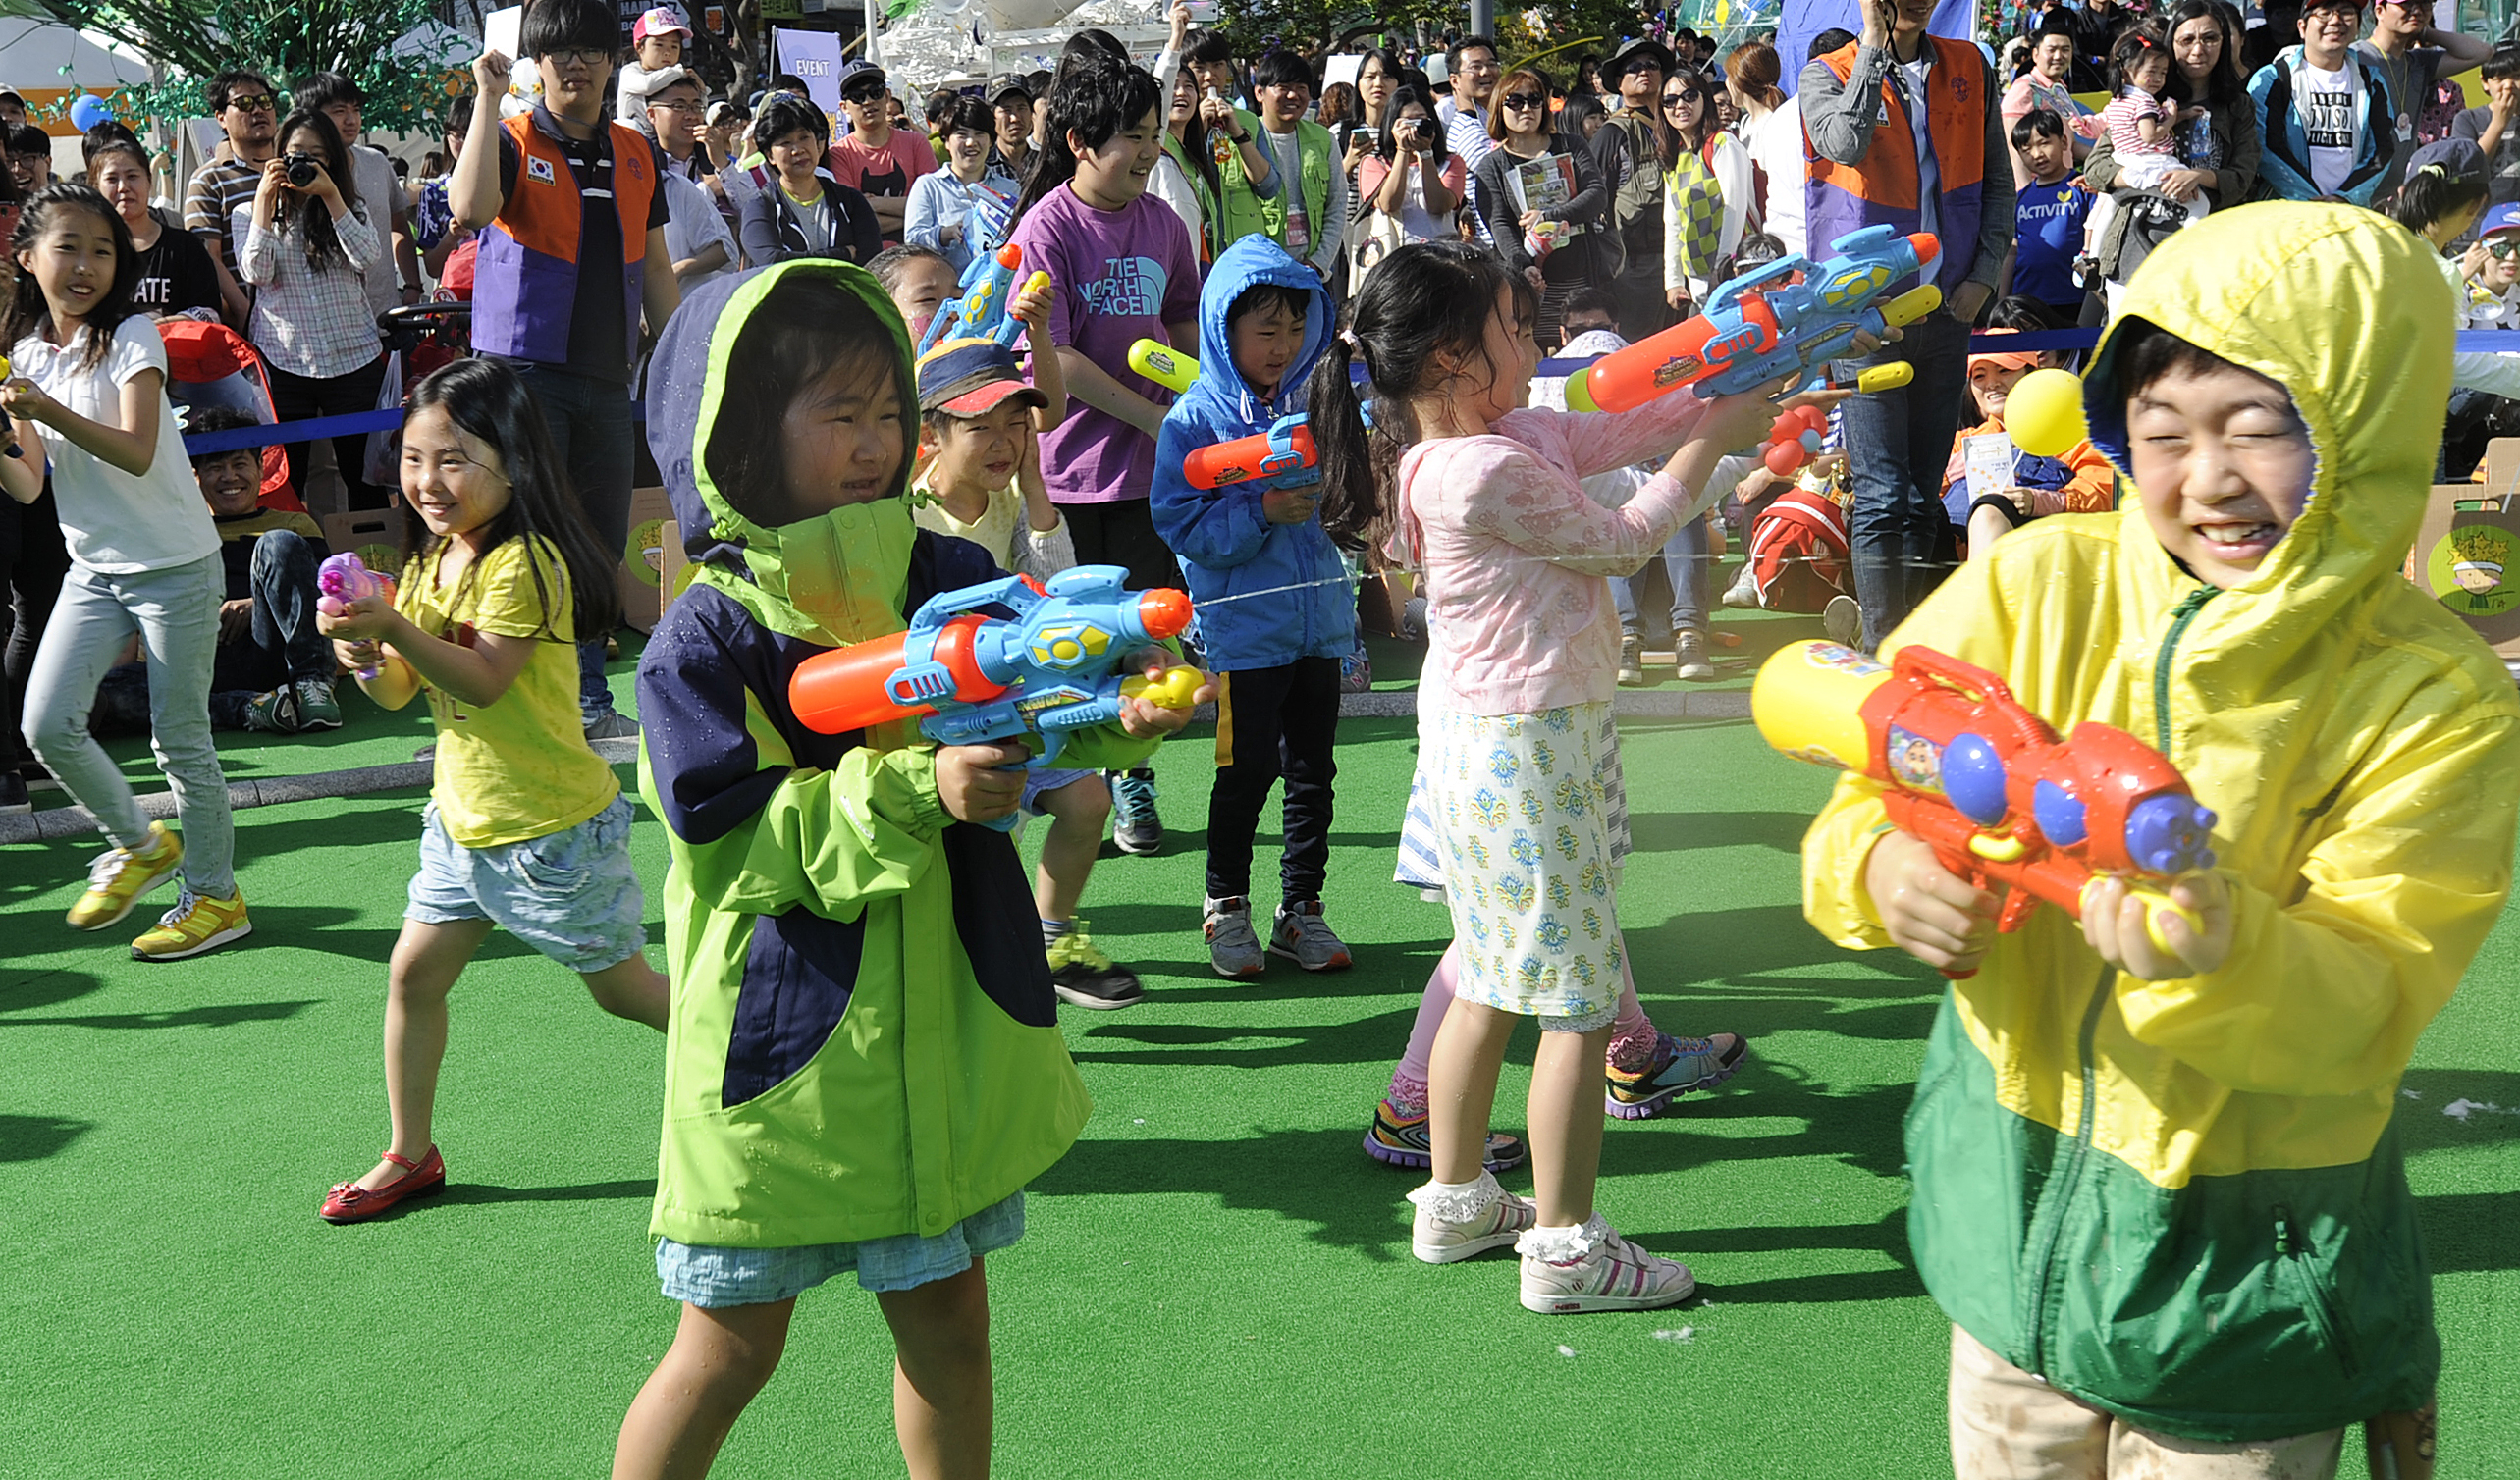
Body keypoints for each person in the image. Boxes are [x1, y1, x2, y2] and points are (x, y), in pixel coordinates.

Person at [1810, 200, 2516, 1480]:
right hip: (2002, 1232)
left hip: (2241, 1285)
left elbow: (2374, 974)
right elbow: (1881, 774)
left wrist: (2223, 950)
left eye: (2260, 430)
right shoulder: (2037, 584)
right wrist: (1877, 868)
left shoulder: (2430, 701)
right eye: (2161, 432)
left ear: (2366, 429)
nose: (2205, 479)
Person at [614, 257, 1198, 1480]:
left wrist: (1113, 718)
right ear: (737, 436)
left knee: (951, 1325)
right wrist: (914, 786)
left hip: (942, 1021)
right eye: (839, 415)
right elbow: (730, 841)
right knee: (726, 1346)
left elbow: (1032, 707)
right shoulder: (707, 631)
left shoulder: (939, 572)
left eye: (887, 411)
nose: (875, 441)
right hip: (785, 1048)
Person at [1313, 242, 1786, 1309]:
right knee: (1572, 1002)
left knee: (1484, 967)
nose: (1536, 345)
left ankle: (1455, 1195)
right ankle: (1567, 1247)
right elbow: (1620, 541)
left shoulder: (1487, 437)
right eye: (1514, 330)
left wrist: (1722, 384)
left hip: (1500, 737)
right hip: (1525, 747)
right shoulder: (1483, 468)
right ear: (1450, 358)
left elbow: (1615, 427)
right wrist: (1717, 438)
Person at [310, 358, 668, 1224]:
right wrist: (359, 651)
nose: (427, 482)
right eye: (414, 458)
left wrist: (390, 622)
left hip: (549, 832)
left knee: (625, 995)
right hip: (464, 825)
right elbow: (399, 693)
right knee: (411, 979)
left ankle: (774, 1058)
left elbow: (481, 682)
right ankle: (410, 1152)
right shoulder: (438, 560)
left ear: (515, 462)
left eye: (453, 460)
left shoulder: (526, 562)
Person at [1, 183, 246, 960]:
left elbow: (138, 451)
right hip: (94, 570)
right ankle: (142, 845)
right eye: (68, 247)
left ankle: (215, 897)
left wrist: (43, 409)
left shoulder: (135, 334)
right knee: (44, 724)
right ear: (27, 258)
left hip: (177, 565)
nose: (86, 265)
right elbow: (31, 483)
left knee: (182, 744)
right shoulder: (31, 352)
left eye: (102, 249)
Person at [451, 0, 682, 742]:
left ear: (613, 62)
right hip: (521, 375)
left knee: (599, 544)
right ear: (536, 64)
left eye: (588, 50)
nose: (573, 64)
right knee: (520, 539)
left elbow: (655, 276)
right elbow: (469, 205)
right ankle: (498, 695)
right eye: (557, 53)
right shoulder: (513, 137)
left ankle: (584, 698)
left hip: (608, 382)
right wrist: (487, 98)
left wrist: (681, 364)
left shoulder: (637, 151)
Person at [905, 329, 1155, 1011]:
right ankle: (975, 965)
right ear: (930, 435)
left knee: (1087, 802)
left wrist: (1038, 485)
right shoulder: (909, 512)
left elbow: (1058, 585)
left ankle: (1052, 938)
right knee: (988, 843)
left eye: (1016, 426)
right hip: (948, 713)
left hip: (1015, 695)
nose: (1003, 443)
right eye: (980, 427)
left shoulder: (1013, 498)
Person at [1007, 55, 1200, 859]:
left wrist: (1192, 403)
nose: (1150, 152)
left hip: (1151, 473)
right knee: (1081, 638)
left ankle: (1136, 777)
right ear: (1081, 141)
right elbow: (1060, 359)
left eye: (1156, 135)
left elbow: (1184, 320)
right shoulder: (1045, 227)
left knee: (1150, 631)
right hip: (1076, 473)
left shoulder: (1161, 222)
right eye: (1133, 137)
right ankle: (1070, 779)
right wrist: (1155, 419)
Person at [1150, 237, 1357, 979]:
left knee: (1313, 772)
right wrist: (1263, 509)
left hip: (1319, 625)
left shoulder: (1318, 402)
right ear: (1221, 329)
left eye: (1295, 329)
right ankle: (1225, 905)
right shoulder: (1194, 418)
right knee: (1243, 772)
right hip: (1243, 634)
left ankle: (1301, 909)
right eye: (1265, 330)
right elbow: (1180, 524)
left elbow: (1348, 499)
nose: (1283, 346)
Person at [1803, 0, 2013, 651]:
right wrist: (1871, 44)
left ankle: (1916, 645)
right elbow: (1841, 142)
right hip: (1863, 314)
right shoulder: (1825, 72)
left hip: (1946, 307)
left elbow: (1998, 182)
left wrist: (1982, 276)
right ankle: (1877, 646)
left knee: (1923, 494)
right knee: (1881, 492)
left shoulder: (1970, 65)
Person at [86, 405, 336, 736]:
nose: (229, 477)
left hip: (275, 655)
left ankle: (312, 685)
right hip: (200, 664)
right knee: (106, 690)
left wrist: (256, 604)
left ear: (261, 468)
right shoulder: (171, 532)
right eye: (216, 467)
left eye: (240, 464)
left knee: (278, 544)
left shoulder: (292, 524)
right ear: (194, 475)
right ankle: (250, 709)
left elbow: (328, 595)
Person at [234, 109, 392, 512]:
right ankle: (295, 566)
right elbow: (256, 272)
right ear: (278, 156)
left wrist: (331, 195)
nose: (305, 165)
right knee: (286, 482)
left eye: (317, 156)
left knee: (366, 481)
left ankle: (376, 568)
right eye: (297, 155)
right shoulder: (250, 213)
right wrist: (266, 200)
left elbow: (368, 257)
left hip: (353, 358)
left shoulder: (348, 205)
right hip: (285, 362)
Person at [1938, 319, 2114, 560]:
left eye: (2004, 370)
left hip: (2040, 559)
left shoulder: (2069, 432)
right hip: (1953, 564)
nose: (1992, 383)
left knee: (1991, 510)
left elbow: (2104, 490)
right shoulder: (1958, 442)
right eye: (1979, 375)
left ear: (2031, 375)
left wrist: (2044, 502)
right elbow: (1915, 500)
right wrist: (1944, 476)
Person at [2084, 3, 2264, 216]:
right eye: (2187, 40)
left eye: (2210, 39)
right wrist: (2148, 178)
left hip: (2209, 228)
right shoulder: (2147, 98)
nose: (2198, 50)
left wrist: (2197, 176)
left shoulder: (2239, 106)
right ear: (2172, 44)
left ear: (2224, 43)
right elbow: (2095, 166)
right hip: (2138, 228)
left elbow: (2243, 177)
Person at [1476, 67, 1605, 333]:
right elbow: (1499, 223)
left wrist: (1548, 217)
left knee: (1583, 352)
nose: (1526, 109)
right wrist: (1522, 266)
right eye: (1515, 101)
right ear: (1499, 109)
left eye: (1534, 100)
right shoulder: (1492, 165)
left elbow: (1597, 195)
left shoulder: (1571, 145)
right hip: (1529, 282)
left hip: (1580, 272)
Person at [294, 73, 424, 316]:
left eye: (356, 110)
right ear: (311, 116)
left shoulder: (376, 162)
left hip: (385, 312)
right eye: (339, 111)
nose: (351, 119)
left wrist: (413, 285)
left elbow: (398, 224)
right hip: (325, 321)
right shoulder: (299, 175)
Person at [84, 128, 241, 324]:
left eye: (132, 176)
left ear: (149, 181)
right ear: (96, 187)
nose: (123, 187)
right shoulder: (89, 253)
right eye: (112, 179)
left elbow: (209, 312)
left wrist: (162, 327)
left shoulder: (185, 246)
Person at [2249, 0, 2398, 205]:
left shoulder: (2372, 82)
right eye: (2324, 13)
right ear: (2302, 27)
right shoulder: (2273, 79)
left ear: (2358, 26)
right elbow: (2264, 145)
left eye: (2346, 13)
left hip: (2348, 212)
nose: (2336, 21)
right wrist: (2307, 197)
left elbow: (2381, 149)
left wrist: (2345, 197)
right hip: (2288, 212)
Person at [1220, 51, 1345, 285]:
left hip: (1309, 272)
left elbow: (1337, 205)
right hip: (1256, 273)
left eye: (1301, 88)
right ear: (1260, 93)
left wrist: (1318, 263)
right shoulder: (1237, 137)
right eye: (1283, 87)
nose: (1293, 95)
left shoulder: (1323, 140)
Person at [1591, 35, 1677, 341]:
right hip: (1633, 268)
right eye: (1634, 67)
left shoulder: (1676, 124)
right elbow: (1593, 200)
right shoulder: (1612, 133)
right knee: (1636, 348)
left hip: (1677, 259)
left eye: (1652, 66)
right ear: (1618, 81)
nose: (1645, 72)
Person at [2358, 0, 2491, 196]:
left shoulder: (2419, 62)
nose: (2417, 11)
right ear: (2379, 10)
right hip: (2358, 190)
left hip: (2401, 192)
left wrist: (2425, 31)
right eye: (2406, 5)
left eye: (2424, 5)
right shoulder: (2355, 56)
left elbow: (2482, 53)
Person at [738, 92, 885, 267]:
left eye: (804, 138)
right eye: (785, 143)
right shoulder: (760, 207)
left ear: (817, 143)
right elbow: (771, 261)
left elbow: (871, 259)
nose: (797, 150)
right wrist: (843, 253)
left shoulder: (850, 200)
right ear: (770, 155)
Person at [1661, 66, 1752, 317]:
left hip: (1735, 276)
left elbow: (1735, 209)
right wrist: (1674, 281)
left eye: (1689, 96)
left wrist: (1722, 269)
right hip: (1698, 281)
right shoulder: (1674, 157)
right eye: (1670, 100)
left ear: (1704, 99)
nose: (1679, 105)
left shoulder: (1723, 144)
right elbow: (1673, 224)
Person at [635, 69, 738, 291]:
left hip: (711, 291)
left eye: (696, 107)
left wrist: (720, 162)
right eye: (679, 106)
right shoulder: (641, 168)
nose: (690, 115)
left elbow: (748, 211)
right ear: (651, 115)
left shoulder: (715, 164)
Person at [185, 70, 282, 281]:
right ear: (221, 118)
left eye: (265, 101)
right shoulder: (208, 180)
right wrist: (245, 311)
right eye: (244, 103)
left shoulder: (294, 168)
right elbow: (209, 260)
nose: (258, 110)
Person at [904, 95, 1019, 272]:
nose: (971, 143)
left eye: (979, 134)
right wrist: (944, 234)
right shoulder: (928, 186)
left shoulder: (1010, 188)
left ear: (990, 141)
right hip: (947, 292)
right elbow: (912, 241)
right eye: (961, 135)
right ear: (947, 142)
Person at [828, 66, 937, 246]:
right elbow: (851, 219)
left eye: (875, 92)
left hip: (917, 254)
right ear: (844, 107)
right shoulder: (839, 154)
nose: (868, 101)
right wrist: (915, 218)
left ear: (887, 96)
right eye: (858, 96)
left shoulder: (916, 143)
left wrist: (873, 203)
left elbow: (933, 205)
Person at [2007, 111, 2097, 327]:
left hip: (2076, 298)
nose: (2037, 154)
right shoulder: (2021, 198)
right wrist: (2003, 299)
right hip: (2027, 301)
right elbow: (2012, 250)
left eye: (2044, 143)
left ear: (2064, 142)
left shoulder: (2083, 188)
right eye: (2026, 149)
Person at [1358, 83, 1464, 258]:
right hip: (1393, 257)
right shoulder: (1374, 163)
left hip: (1440, 259)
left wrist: (1425, 154)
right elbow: (1389, 204)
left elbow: (1439, 206)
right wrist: (1402, 151)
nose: (1414, 129)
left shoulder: (1452, 162)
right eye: (1407, 122)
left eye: (1421, 120)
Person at [2004, 17, 2107, 187]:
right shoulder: (2025, 89)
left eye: (2065, 49)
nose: (2058, 56)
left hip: (2060, 186)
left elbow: (2069, 144)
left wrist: (2107, 159)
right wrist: (2025, 192)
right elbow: (2013, 147)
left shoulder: (2059, 89)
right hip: (2037, 189)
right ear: (2035, 55)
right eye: (2051, 50)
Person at [1153, 66, 1221, 261]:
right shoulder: (1159, 145)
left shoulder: (1193, 155)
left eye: (1188, 86)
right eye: (1173, 86)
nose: (1181, 92)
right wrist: (1175, 43)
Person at [1439, 34, 1501, 233]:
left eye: (1491, 64)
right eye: (1476, 67)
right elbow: (1502, 174)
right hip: (1491, 241)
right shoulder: (1467, 129)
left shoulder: (1483, 118)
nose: (1486, 72)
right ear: (1455, 80)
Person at [2452, 46, 2520, 209]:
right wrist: (2499, 122)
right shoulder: (2468, 119)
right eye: (2500, 78)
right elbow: (2470, 167)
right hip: (2481, 217)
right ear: (2485, 83)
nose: (2509, 85)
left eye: (2517, 77)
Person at [617, 6, 691, 124]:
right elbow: (647, 85)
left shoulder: (672, 76)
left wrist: (702, 91)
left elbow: (693, 110)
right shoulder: (630, 71)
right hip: (633, 138)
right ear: (640, 47)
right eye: (659, 45)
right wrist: (679, 71)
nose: (668, 52)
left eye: (674, 46)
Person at [990, 75, 1038, 183]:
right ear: (992, 117)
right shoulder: (981, 166)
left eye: (1021, 108)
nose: (1015, 118)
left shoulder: (1044, 164)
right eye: (1007, 110)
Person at [8, 124, 52, 196]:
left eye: (27, 159)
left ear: (47, 163)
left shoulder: (68, 203)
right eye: (8, 161)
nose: (17, 169)